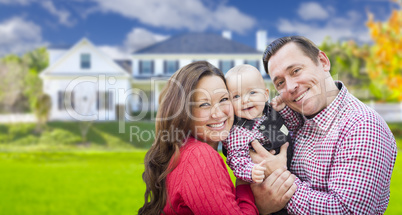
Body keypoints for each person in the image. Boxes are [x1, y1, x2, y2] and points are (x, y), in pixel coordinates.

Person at [252, 36, 397, 214]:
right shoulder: (295, 119)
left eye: (296, 71)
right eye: (280, 82)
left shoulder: (362, 126)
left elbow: (347, 211)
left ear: (323, 61)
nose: (290, 87)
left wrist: (279, 183)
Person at [138, 61, 297, 215]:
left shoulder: (184, 149)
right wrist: (256, 202)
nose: (218, 113)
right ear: (183, 113)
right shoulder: (200, 156)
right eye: (204, 104)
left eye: (223, 99)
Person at [223, 64, 292, 183]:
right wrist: (251, 171)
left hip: (293, 169)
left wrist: (283, 109)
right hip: (267, 180)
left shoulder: (272, 112)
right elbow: (236, 159)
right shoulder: (238, 131)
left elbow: (292, 125)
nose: (245, 100)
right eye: (236, 96)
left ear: (265, 95)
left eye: (252, 92)